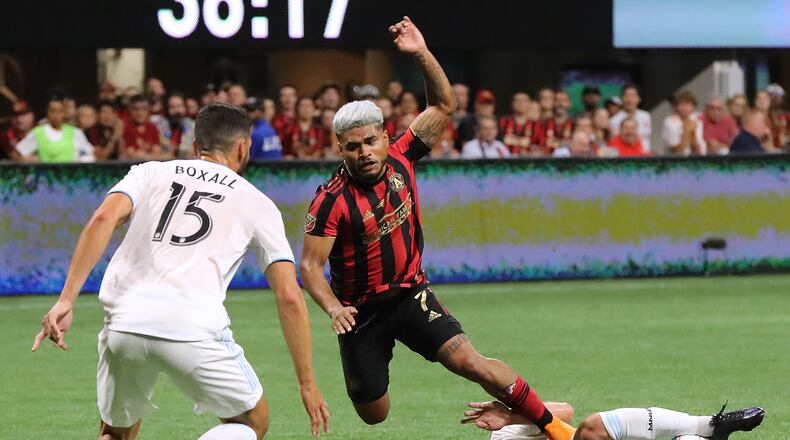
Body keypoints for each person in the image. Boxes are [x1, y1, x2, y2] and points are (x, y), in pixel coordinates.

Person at [299, 16, 576, 440]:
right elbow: (309, 268)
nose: (365, 153)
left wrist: (421, 54)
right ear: (341, 148)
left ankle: (550, 424)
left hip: (411, 294)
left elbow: (443, 104)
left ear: (384, 135)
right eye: (353, 147)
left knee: (472, 363)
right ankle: (529, 407)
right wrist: (334, 309)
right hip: (361, 316)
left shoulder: (404, 155)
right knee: (374, 413)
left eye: (370, 141)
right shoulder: (331, 200)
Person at [31, 103, 330, 440]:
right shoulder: (258, 202)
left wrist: (66, 299)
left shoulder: (149, 172)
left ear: (194, 146)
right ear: (243, 147)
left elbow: (102, 218)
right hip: (193, 328)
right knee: (251, 422)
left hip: (124, 321)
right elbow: (289, 294)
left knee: (115, 434)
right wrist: (307, 383)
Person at [462, 400, 764, 440]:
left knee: (591, 427)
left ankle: (709, 426)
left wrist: (511, 413)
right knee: (593, 425)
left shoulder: (504, 432)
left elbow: (565, 411)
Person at [15, 97, 95, 163]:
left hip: (69, 180)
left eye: (60, 111)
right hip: (45, 180)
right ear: (47, 113)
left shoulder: (75, 132)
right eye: (53, 111)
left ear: (64, 113)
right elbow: (17, 154)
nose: (56, 115)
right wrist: (28, 160)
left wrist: (82, 160)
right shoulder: (38, 132)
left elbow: (92, 154)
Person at [122, 94, 168, 160]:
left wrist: (144, 155)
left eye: (144, 109)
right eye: (135, 109)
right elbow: (130, 154)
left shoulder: (152, 127)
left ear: (149, 110)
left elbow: (157, 151)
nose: (139, 113)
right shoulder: (125, 127)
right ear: (130, 110)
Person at [151, 92, 196, 158]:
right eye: (172, 107)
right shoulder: (159, 125)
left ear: (185, 108)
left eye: (179, 106)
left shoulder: (193, 126)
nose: (176, 110)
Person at [661, 90, 706, 156]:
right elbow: (677, 151)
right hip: (674, 161)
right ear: (675, 107)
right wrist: (686, 130)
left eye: (688, 104)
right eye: (681, 104)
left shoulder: (697, 122)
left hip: (693, 161)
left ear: (693, 107)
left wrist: (692, 134)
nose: (685, 108)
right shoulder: (670, 122)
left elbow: (696, 149)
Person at [609, 84, 652, 152]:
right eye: (627, 95)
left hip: (645, 156)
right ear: (622, 98)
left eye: (633, 96)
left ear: (639, 98)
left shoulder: (646, 116)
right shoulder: (614, 120)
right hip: (624, 157)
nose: (630, 99)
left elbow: (648, 138)